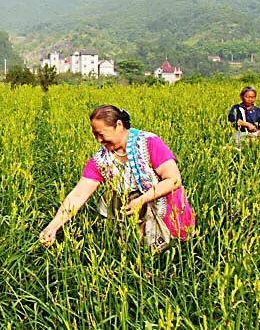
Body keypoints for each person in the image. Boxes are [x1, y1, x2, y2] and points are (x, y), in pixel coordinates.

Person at [39, 105, 195, 249]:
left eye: (101, 134)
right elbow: (79, 194)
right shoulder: (101, 160)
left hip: (169, 213)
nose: (99, 140)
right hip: (134, 220)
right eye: (95, 135)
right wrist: (53, 226)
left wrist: (141, 200)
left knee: (175, 257)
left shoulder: (149, 143)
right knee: (141, 258)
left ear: (119, 125)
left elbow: (173, 180)